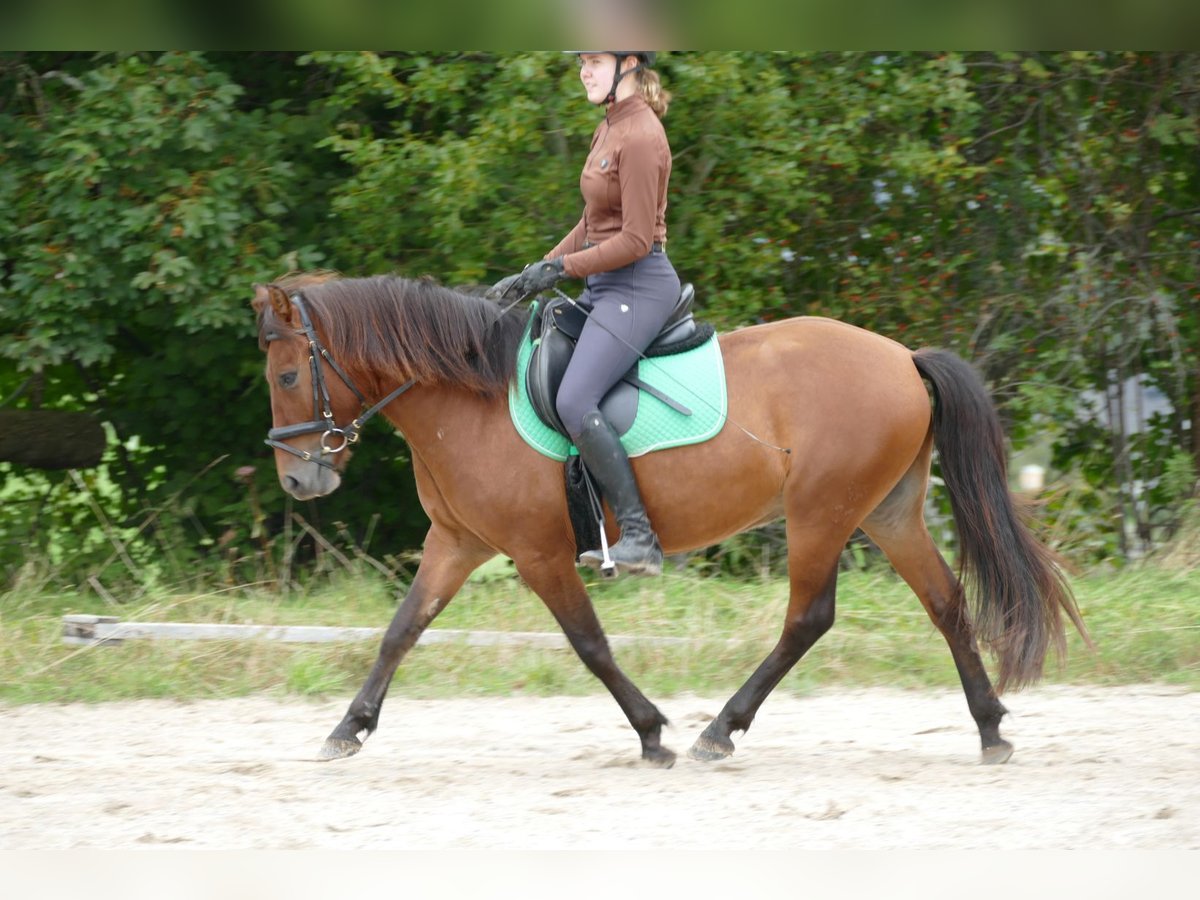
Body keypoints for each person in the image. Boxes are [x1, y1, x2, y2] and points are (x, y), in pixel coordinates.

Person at [489, 51, 679, 577]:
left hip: (637, 287)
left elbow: (637, 239)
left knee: (575, 397)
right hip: (604, 283)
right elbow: (593, 222)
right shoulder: (611, 127)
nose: (584, 72)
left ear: (630, 62)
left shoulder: (641, 136)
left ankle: (639, 535)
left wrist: (563, 268)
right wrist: (537, 270)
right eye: (582, 63)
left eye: (594, 61)